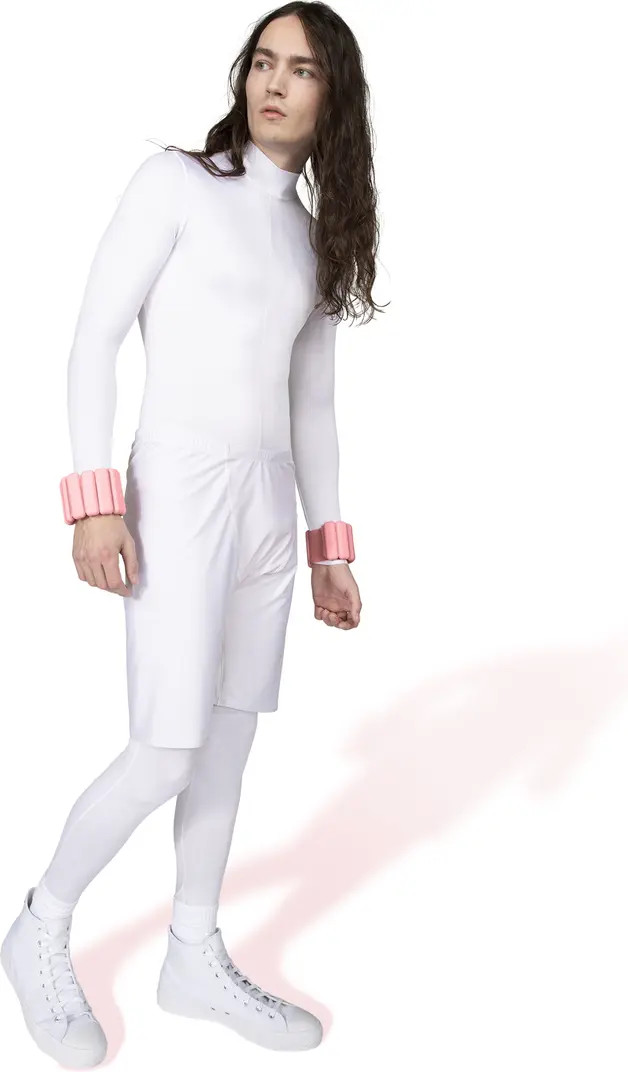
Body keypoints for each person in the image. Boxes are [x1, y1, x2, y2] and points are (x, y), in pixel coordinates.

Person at [1, 1, 384, 1063]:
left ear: (333, 98)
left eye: (300, 70)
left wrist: (331, 548)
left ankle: (190, 953)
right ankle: (40, 922)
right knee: (166, 748)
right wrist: (93, 501)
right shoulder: (175, 183)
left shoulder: (311, 237)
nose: (273, 83)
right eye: (262, 62)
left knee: (226, 743)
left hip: (267, 504)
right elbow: (92, 337)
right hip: (174, 490)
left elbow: (313, 403)